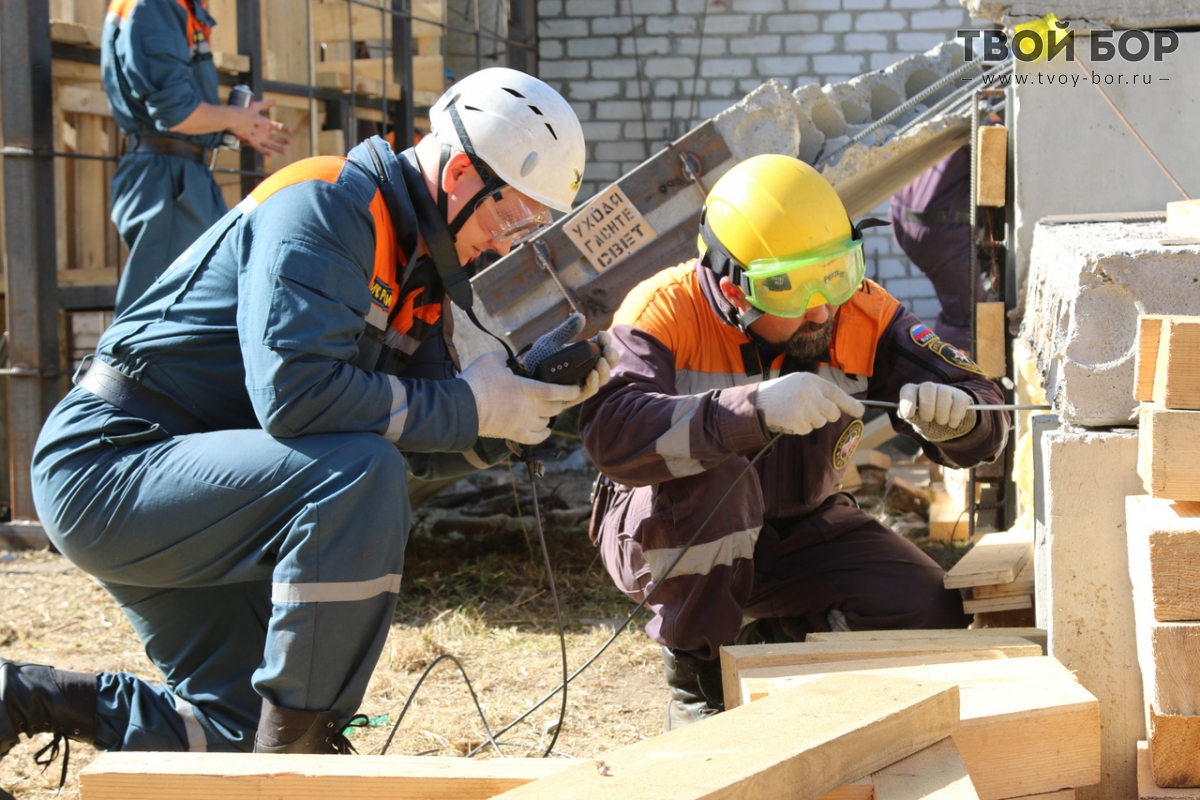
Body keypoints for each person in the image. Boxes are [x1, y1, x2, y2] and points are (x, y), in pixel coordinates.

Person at [3, 68, 611, 783]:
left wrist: (514, 419)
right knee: (357, 474)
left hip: (199, 487)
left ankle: (27, 699)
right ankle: (299, 763)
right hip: (112, 464)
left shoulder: (415, 274)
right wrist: (472, 407)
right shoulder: (325, 206)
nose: (511, 243)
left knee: (233, 731)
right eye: (513, 217)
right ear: (457, 173)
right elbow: (296, 396)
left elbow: (408, 436)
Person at [579, 154, 1010, 730]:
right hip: (670, 528)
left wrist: (964, 422)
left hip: (797, 526)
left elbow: (986, 401)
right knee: (717, 470)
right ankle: (700, 679)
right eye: (792, 288)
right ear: (736, 290)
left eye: (835, 273)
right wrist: (749, 411)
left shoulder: (860, 312)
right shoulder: (664, 311)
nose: (821, 308)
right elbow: (611, 431)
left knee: (926, 606)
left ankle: (766, 650)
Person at [103, 0, 291, 315]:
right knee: (158, 320)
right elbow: (175, 113)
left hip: (178, 175)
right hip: (169, 181)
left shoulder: (169, 7)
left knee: (184, 313)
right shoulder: (157, 6)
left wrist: (234, 123)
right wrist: (233, 119)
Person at [888, 146, 982, 352]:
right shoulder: (983, 121)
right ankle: (962, 378)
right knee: (967, 317)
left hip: (905, 219)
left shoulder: (948, 121)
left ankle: (952, 368)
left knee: (957, 303)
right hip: (936, 229)